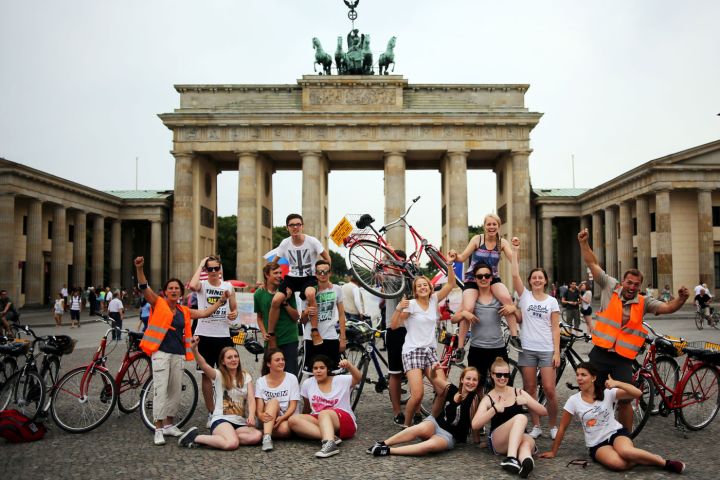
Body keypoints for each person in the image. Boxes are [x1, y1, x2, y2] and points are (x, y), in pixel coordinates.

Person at [578, 228, 689, 430]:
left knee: (626, 399)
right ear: (623, 282)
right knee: (593, 394)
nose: (631, 287)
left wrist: (681, 299)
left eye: (636, 284)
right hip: (601, 352)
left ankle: (624, 437)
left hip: (622, 358)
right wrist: (584, 243)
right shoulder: (610, 286)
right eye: (629, 282)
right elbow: (592, 263)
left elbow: (667, 308)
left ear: (640, 286)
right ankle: (597, 432)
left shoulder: (644, 301)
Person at [134, 256, 229, 446]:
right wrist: (140, 268)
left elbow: (203, 313)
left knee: (175, 390)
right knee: (160, 390)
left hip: (178, 354)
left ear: (180, 292)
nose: (174, 291)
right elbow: (144, 287)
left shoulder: (184, 310)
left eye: (177, 288)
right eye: (171, 288)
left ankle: (169, 424)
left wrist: (220, 302)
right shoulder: (157, 303)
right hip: (160, 353)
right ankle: (158, 428)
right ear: (165, 292)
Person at [539, 362, 686, 474]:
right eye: (577, 375)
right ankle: (640, 458)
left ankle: (663, 462)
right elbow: (563, 427)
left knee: (626, 453)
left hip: (616, 433)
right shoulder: (573, 400)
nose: (579, 378)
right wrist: (553, 451)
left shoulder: (607, 393)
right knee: (619, 465)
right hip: (597, 444)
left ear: (594, 378)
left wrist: (617, 383)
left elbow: (637, 394)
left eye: (583, 375)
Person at [392, 252, 457, 428]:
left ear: (430, 287)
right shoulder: (411, 304)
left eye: (425, 285)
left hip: (429, 351)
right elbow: (394, 325)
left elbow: (451, 283)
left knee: (443, 389)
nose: (422, 287)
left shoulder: (434, 299)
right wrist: (399, 308)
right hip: (412, 351)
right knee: (418, 394)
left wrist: (449, 265)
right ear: (415, 290)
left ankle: (431, 421)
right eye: (418, 286)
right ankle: (406, 425)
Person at [510, 236, 561, 440]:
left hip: (547, 348)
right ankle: (537, 425)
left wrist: (557, 352)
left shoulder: (552, 301)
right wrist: (515, 251)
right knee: (530, 388)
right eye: (534, 278)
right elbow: (514, 274)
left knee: (549, 389)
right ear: (530, 281)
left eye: (541, 278)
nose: (537, 280)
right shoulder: (525, 297)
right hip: (528, 349)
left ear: (546, 281)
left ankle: (553, 425)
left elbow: (555, 328)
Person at [368, 366, 481, 456]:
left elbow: (473, 421)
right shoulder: (451, 389)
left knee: (428, 446)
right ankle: (383, 443)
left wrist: (477, 440)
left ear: (478, 382)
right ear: (462, 379)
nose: (471, 382)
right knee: (418, 428)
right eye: (468, 378)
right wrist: (433, 370)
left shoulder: (474, 398)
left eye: (474, 380)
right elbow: (435, 379)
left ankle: (387, 451)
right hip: (435, 424)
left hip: (449, 435)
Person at [448, 214, 517, 357]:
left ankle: (515, 336)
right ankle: (460, 347)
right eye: (489, 224)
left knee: (507, 299)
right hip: (474, 278)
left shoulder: (502, 242)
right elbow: (462, 258)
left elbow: (513, 259)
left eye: (494, 224)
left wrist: (515, 249)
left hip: (492, 277)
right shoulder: (477, 239)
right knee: (468, 308)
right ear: (484, 226)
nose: (491, 227)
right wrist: (454, 255)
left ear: (499, 226)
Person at [178, 337, 261, 449]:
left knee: (257, 436)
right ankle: (194, 437)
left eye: (236, 357)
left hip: (239, 423)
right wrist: (194, 350)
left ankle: (224, 437)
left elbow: (251, 399)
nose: (233, 360)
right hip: (221, 420)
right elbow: (203, 365)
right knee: (232, 444)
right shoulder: (218, 375)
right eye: (229, 357)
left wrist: (251, 415)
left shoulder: (246, 376)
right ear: (223, 361)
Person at [471, 357, 547, 478]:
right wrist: (494, 409)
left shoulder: (518, 392)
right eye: (499, 375)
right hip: (499, 440)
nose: (502, 378)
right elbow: (475, 425)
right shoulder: (488, 398)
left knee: (526, 445)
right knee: (521, 418)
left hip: (521, 437)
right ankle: (511, 457)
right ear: (492, 375)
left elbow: (544, 412)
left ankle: (526, 463)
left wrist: (528, 401)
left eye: (506, 375)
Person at [188, 255, 239, 424]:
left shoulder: (228, 286)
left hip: (223, 335)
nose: (213, 272)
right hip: (204, 334)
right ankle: (211, 412)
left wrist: (234, 314)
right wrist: (201, 263)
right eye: (209, 269)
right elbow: (192, 285)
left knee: (229, 374)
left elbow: (234, 308)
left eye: (216, 268)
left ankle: (228, 408)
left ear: (220, 269)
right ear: (205, 271)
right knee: (206, 376)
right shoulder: (202, 285)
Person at [268, 214, 331, 347]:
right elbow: (273, 264)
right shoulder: (285, 243)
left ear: (302, 226)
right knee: (276, 300)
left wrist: (325, 276)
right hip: (291, 277)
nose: (295, 227)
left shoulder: (312, 241)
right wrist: (266, 279)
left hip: (309, 277)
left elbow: (327, 258)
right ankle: (271, 334)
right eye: (292, 225)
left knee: (310, 294)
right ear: (287, 228)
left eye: (298, 224)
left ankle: (314, 331)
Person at [451, 263, 516, 391]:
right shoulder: (470, 300)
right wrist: (464, 313)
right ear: (475, 279)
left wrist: (513, 307)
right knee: (475, 388)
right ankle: (478, 410)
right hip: (477, 350)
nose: (483, 279)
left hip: (498, 349)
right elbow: (454, 320)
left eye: (487, 275)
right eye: (479, 276)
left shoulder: (499, 297)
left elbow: (518, 316)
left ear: (491, 278)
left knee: (504, 386)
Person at [288, 355, 362, 458]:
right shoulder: (307, 384)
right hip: (320, 419)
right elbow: (307, 408)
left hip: (343, 419)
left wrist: (349, 365)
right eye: (315, 368)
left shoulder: (340, 380)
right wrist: (301, 424)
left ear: (328, 369)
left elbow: (358, 378)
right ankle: (331, 437)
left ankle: (329, 444)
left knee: (324, 412)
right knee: (292, 420)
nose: (318, 371)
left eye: (322, 368)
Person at [299, 260, 346, 372]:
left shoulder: (337, 289)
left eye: (325, 272)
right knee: (312, 374)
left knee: (332, 373)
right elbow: (302, 320)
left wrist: (343, 338)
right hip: (311, 338)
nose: (322, 274)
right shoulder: (308, 293)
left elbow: (341, 314)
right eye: (319, 272)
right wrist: (306, 312)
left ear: (330, 273)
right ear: (315, 274)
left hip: (331, 336)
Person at [254, 263, 300, 375]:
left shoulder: (288, 291)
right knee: (269, 375)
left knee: (290, 375)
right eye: (275, 273)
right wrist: (264, 333)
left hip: (289, 339)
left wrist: (284, 302)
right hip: (271, 341)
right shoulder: (258, 294)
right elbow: (259, 317)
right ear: (266, 275)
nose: (279, 275)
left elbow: (296, 317)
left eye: (280, 273)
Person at [255, 348, 300, 452]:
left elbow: (293, 406)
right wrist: (260, 415)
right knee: (274, 401)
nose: (281, 362)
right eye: (277, 360)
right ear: (268, 364)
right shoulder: (261, 381)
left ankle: (261, 433)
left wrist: (283, 417)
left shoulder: (292, 378)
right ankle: (266, 438)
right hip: (268, 416)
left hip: (285, 417)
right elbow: (259, 408)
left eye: (283, 359)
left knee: (285, 430)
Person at [384, 249, 409, 426]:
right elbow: (375, 273)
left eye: (401, 261)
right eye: (395, 262)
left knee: (414, 371)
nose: (398, 265)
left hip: (413, 329)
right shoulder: (388, 279)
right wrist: (385, 256)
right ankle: (396, 411)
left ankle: (414, 409)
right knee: (395, 373)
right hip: (394, 329)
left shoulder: (411, 278)